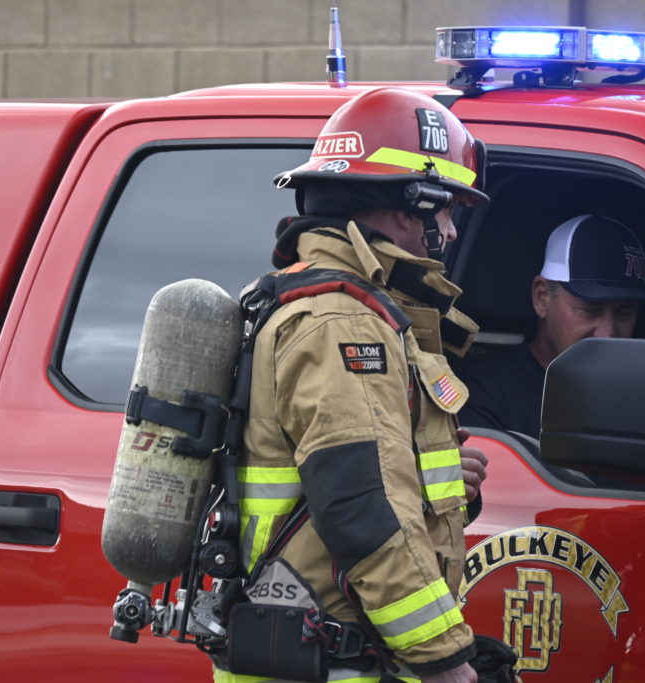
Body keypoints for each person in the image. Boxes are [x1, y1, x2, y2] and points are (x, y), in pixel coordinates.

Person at [214, 87, 491, 683]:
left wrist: (431, 476)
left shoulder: (337, 308)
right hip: (334, 662)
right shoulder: (342, 323)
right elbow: (362, 505)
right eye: (447, 210)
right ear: (410, 206)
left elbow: (352, 472)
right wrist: (444, 660)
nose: (451, 231)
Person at [458, 214, 645, 438]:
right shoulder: (485, 393)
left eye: (624, 312)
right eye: (591, 309)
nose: (607, 333)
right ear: (542, 298)